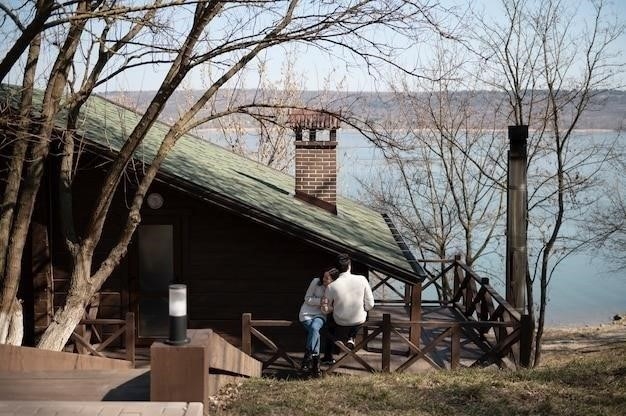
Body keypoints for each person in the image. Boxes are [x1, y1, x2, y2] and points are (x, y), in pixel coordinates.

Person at [321, 253, 374, 365]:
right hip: (358, 319)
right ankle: (351, 337)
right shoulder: (362, 279)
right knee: (361, 316)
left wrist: (331, 308)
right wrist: (364, 308)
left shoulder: (331, 286)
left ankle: (337, 339)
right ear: (349, 265)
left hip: (339, 321)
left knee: (330, 322)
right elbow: (370, 304)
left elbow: (325, 309)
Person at [298, 267, 339, 375]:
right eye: (324, 277)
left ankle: (307, 359)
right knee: (315, 332)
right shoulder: (316, 282)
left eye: (327, 278)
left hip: (320, 315)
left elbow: (332, 307)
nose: (324, 280)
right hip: (306, 314)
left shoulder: (335, 289)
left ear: (333, 280)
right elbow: (307, 299)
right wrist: (321, 301)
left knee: (314, 328)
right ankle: (316, 365)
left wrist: (327, 308)